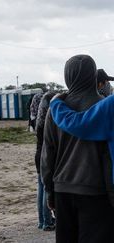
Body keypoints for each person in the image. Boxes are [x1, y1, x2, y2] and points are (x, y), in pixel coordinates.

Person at [40, 54, 114, 242]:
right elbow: (108, 157)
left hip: (63, 191)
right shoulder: (104, 108)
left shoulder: (56, 109)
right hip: (97, 193)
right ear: (93, 76)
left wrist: (50, 191)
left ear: (67, 77)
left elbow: (47, 155)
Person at [34, 91, 56, 231]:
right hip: (45, 156)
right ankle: (47, 222)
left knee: (41, 188)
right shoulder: (50, 121)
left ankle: (42, 220)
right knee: (47, 187)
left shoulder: (39, 122)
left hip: (38, 156)